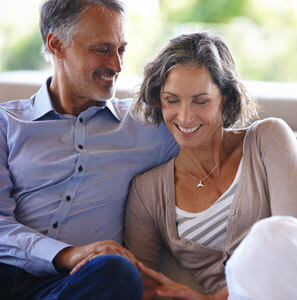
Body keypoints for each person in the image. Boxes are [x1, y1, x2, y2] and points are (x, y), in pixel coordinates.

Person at [0, 0, 178, 299]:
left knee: (116, 271)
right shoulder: (6, 124)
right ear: (56, 44)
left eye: (121, 49)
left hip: (78, 285)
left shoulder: (150, 128)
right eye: (102, 49)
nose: (117, 65)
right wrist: (67, 254)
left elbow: (227, 140)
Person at [124, 31, 297, 299]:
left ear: (226, 97)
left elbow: (293, 244)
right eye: (172, 100)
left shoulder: (268, 139)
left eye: (201, 101)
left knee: (271, 234)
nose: (184, 117)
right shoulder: (147, 192)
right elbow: (141, 286)